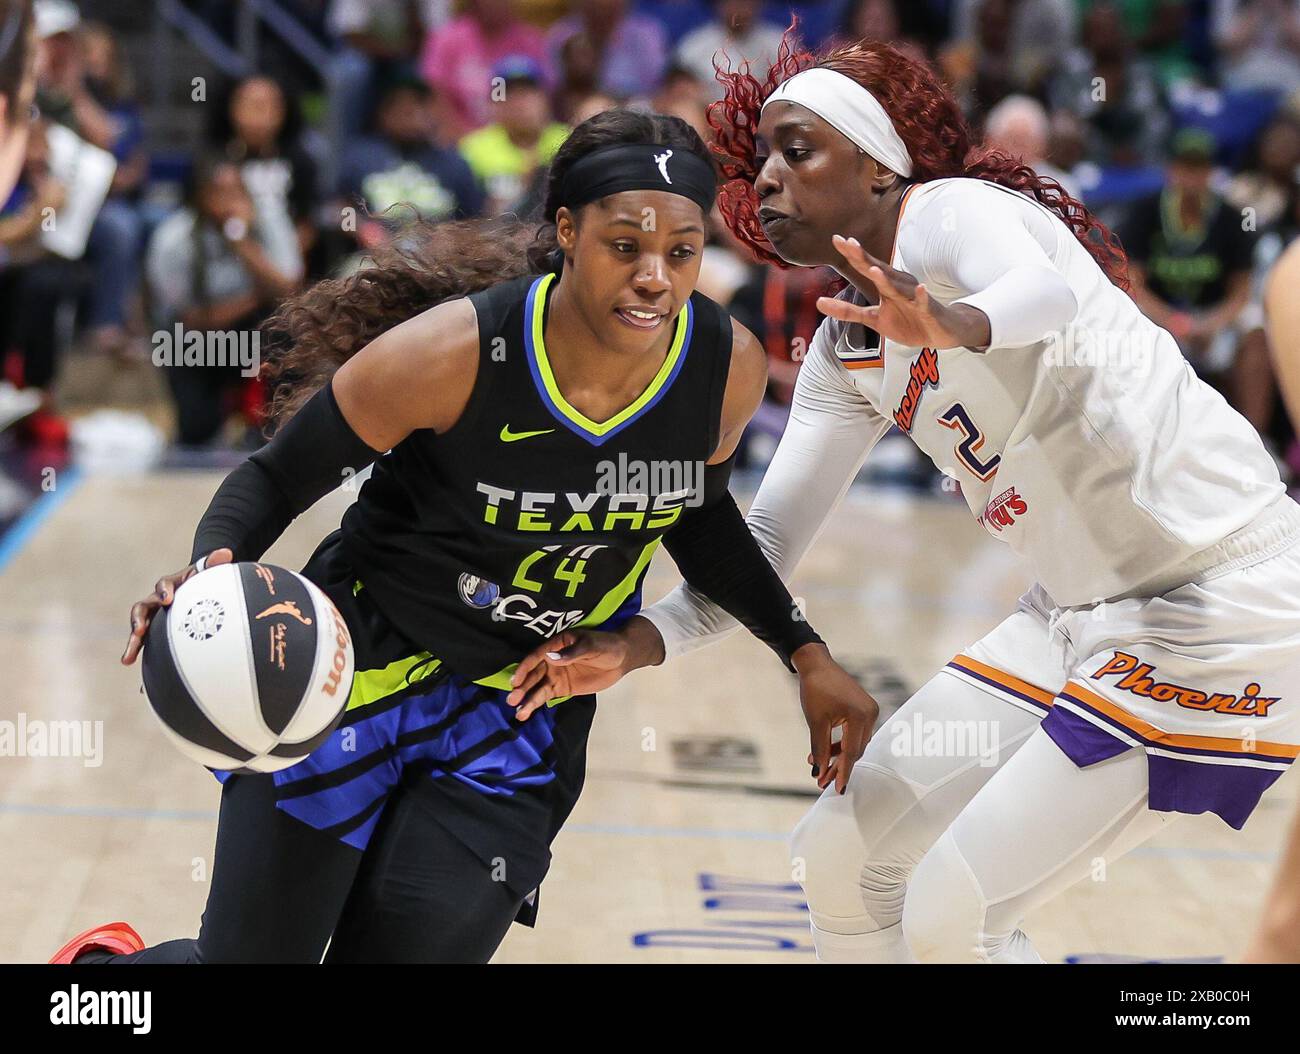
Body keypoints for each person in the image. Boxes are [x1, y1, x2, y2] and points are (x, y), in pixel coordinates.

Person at [505, 36, 1300, 964]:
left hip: (1222, 608)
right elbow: (766, 540)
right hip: (1074, 616)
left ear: (879, 168)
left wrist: (954, 321)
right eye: (762, 157)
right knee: (840, 861)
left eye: (797, 150)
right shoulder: (849, 348)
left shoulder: (951, 214)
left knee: (953, 913)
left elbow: (1039, 291)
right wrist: (640, 643)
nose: (767, 177)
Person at [51, 109, 877, 964]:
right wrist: (208, 574)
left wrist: (803, 651)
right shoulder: (454, 353)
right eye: (624, 247)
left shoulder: (723, 366)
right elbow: (274, 477)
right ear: (566, 230)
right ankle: (106, 973)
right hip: (353, 673)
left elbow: (693, 514)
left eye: (681, 251)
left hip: (517, 714)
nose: (655, 280)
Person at [145, 156, 303, 447]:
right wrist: (254, 298)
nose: (228, 202)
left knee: (286, 323)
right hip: (197, 342)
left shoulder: (269, 221)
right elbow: (188, 317)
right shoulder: (173, 238)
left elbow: (288, 290)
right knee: (197, 431)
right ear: (200, 197)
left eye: (236, 192)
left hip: (254, 332)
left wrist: (241, 242)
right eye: (218, 193)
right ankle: (214, 414)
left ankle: (268, 421)